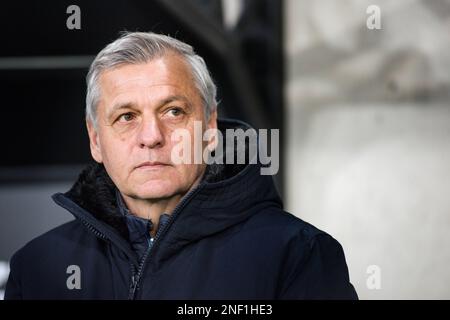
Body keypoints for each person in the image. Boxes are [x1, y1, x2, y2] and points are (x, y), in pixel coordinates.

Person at [5, 32, 357, 299]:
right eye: (126, 117)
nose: (152, 136)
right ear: (96, 140)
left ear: (209, 128)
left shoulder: (298, 254)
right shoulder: (36, 268)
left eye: (173, 111)